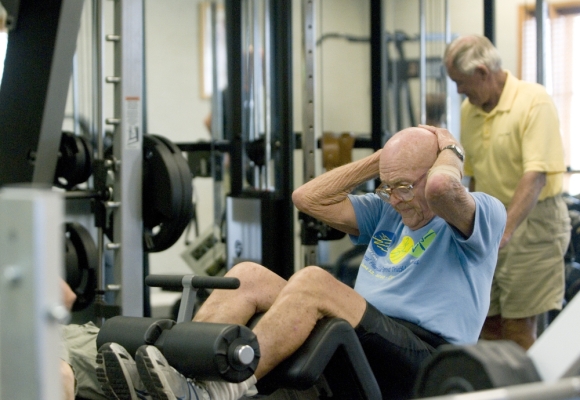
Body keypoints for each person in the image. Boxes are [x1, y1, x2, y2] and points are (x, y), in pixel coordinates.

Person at [97, 125, 506, 400]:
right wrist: (385, 160)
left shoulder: (479, 215)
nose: (395, 197)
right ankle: (176, 375)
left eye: (403, 186)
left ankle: (219, 391)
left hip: (425, 360)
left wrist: (448, 147)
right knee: (247, 276)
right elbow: (307, 198)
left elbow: (439, 186)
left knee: (313, 281)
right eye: (387, 188)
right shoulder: (388, 211)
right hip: (363, 331)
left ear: (435, 170)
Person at [443, 34, 572, 350]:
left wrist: (504, 233)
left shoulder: (534, 101)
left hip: (531, 222)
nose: (459, 90)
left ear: (483, 72)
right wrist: (470, 226)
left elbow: (536, 176)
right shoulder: (468, 109)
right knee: (485, 319)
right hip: (491, 220)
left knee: (517, 327)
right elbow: (471, 176)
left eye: (461, 82)